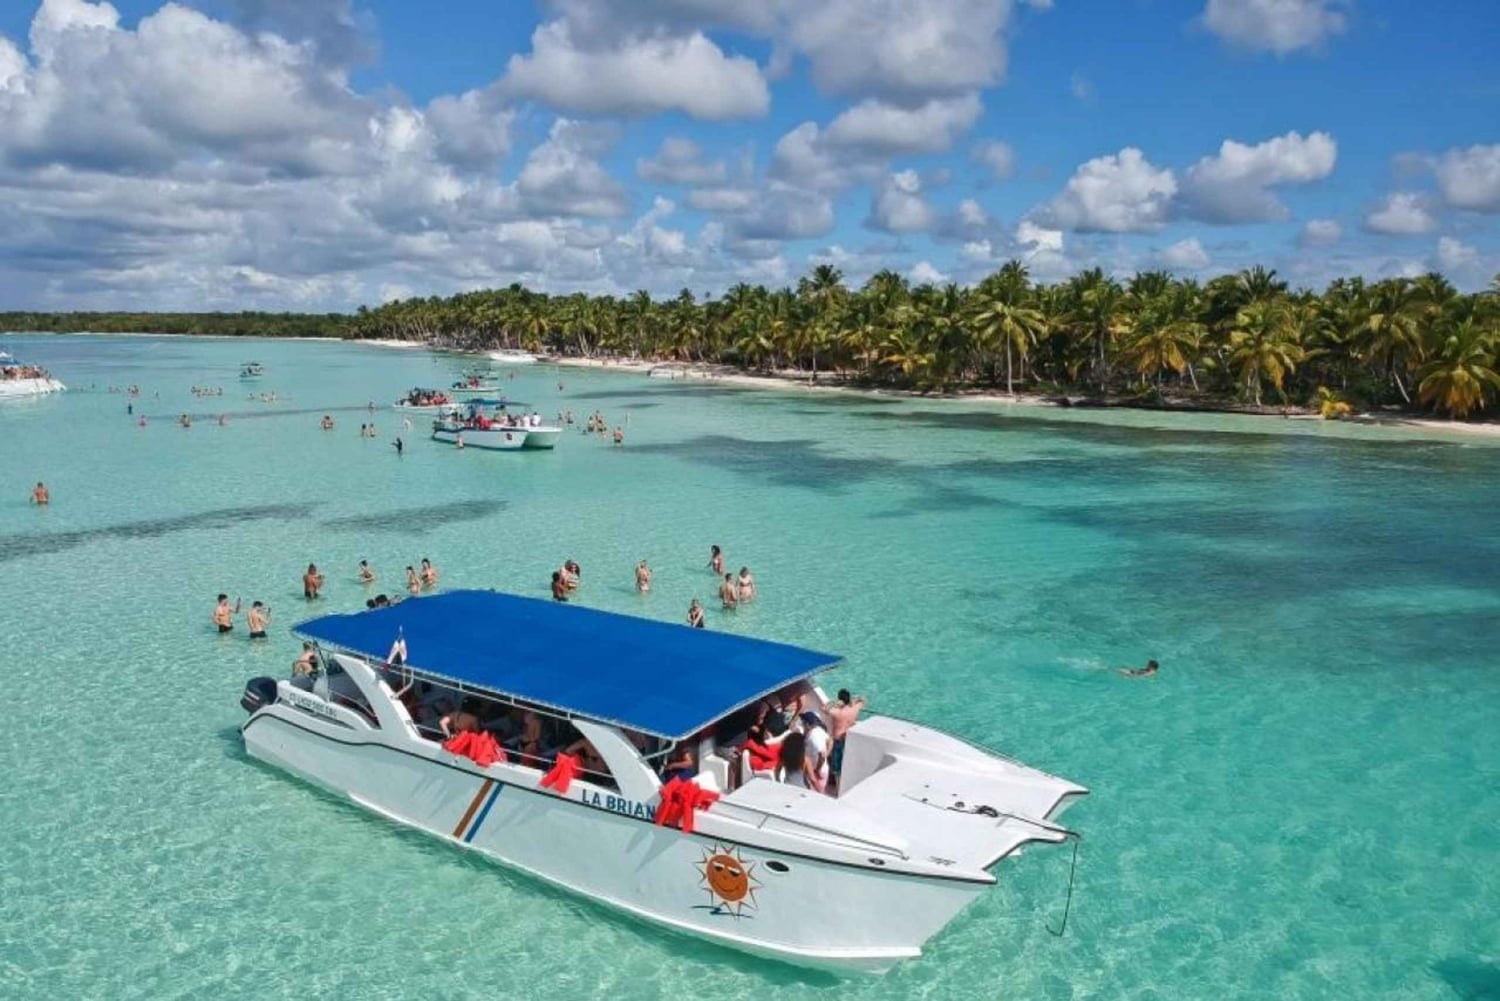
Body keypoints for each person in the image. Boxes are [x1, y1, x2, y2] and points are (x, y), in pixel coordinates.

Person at [824, 688, 866, 793]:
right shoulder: (854, 710)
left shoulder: (836, 712)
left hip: (838, 741)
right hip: (849, 739)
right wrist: (853, 702)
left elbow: (824, 708)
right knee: (847, 766)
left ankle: (838, 790)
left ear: (840, 699)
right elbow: (863, 700)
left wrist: (834, 703)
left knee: (837, 769)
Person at [799, 711, 831, 792]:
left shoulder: (814, 738)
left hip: (816, 772)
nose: (802, 725)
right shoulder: (819, 729)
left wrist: (817, 769)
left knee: (817, 793)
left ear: (807, 724)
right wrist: (828, 753)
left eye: (803, 723)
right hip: (819, 769)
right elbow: (830, 741)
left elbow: (822, 755)